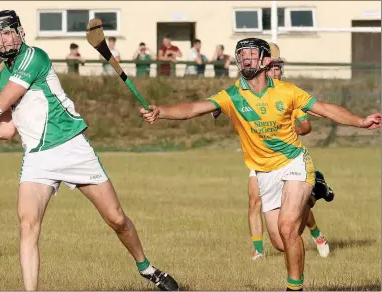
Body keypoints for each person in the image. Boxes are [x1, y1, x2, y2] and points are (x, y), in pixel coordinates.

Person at [0, 10, 179, 292]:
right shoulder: (5, 75)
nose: (4, 39)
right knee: (28, 225)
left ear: (20, 33)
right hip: (37, 158)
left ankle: (146, 267)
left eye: (8, 32)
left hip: (71, 147)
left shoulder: (34, 57)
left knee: (117, 219)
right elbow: (6, 130)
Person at [140, 37, 381, 291]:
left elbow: (324, 108)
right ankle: (313, 195)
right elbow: (192, 108)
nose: (246, 58)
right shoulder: (232, 96)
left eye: (252, 54)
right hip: (265, 173)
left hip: (293, 162)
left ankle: (294, 288)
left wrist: (360, 122)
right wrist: (162, 111)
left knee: (288, 227)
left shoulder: (287, 91)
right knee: (280, 241)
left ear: (266, 61)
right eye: (241, 54)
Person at [248, 43, 334, 261]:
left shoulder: (287, 95)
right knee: (254, 201)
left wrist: (285, 129)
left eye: (278, 68)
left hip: (286, 159)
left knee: (293, 211)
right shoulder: (250, 89)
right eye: (271, 67)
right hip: (259, 157)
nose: (274, 72)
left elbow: (306, 126)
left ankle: (317, 229)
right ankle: (258, 250)